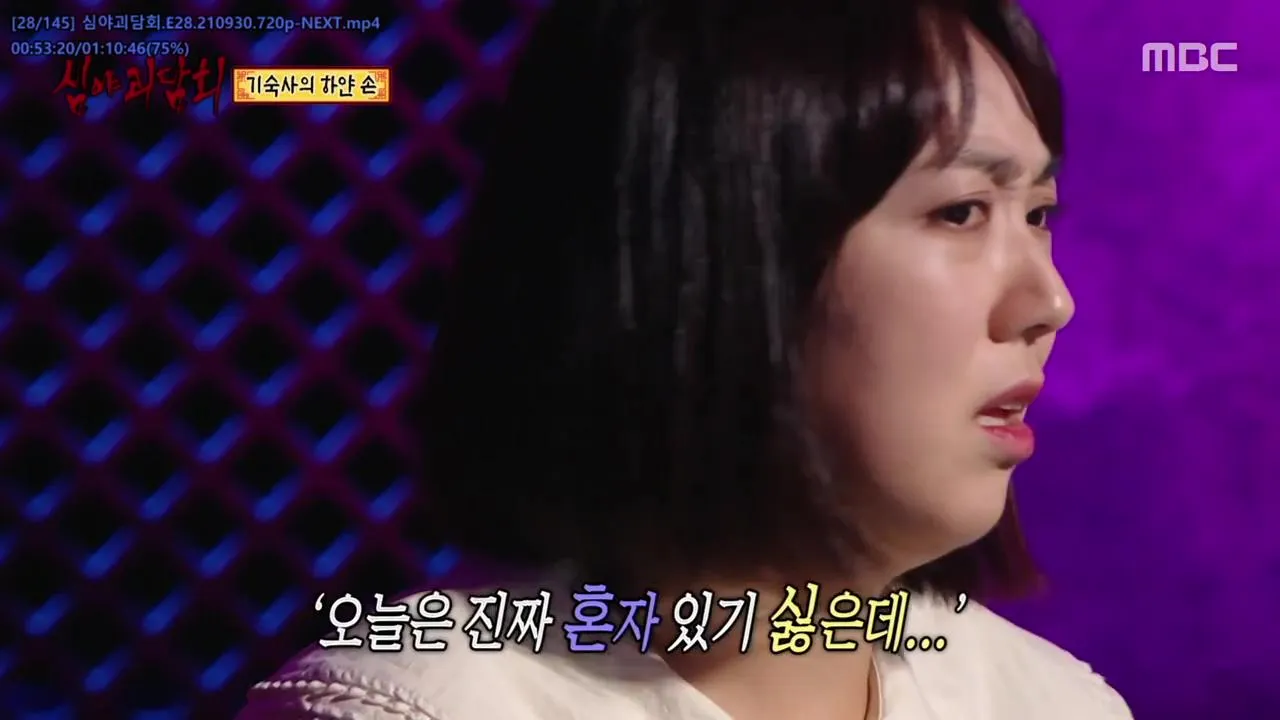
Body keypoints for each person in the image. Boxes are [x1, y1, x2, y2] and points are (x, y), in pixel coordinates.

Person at [238, 0, 1133, 717]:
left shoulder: (1051, 703)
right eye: (962, 211)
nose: (1049, 302)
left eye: (1038, 214)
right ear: (719, 252)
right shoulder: (412, 706)